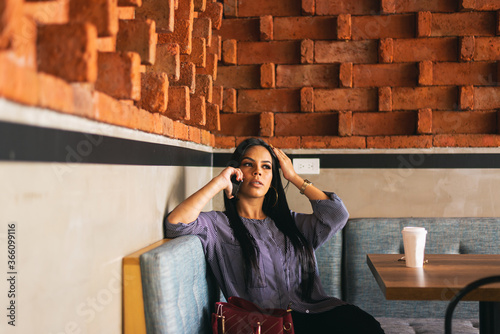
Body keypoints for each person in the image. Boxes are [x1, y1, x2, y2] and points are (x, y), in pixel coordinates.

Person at [165, 138, 384, 334]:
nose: (257, 172)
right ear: (236, 172)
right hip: (265, 324)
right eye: (248, 164)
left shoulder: (291, 223)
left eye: (266, 167)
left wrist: (294, 177)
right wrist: (219, 182)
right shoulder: (218, 225)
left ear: (273, 179)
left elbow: (337, 214)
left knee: (367, 327)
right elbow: (176, 224)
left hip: (313, 312)